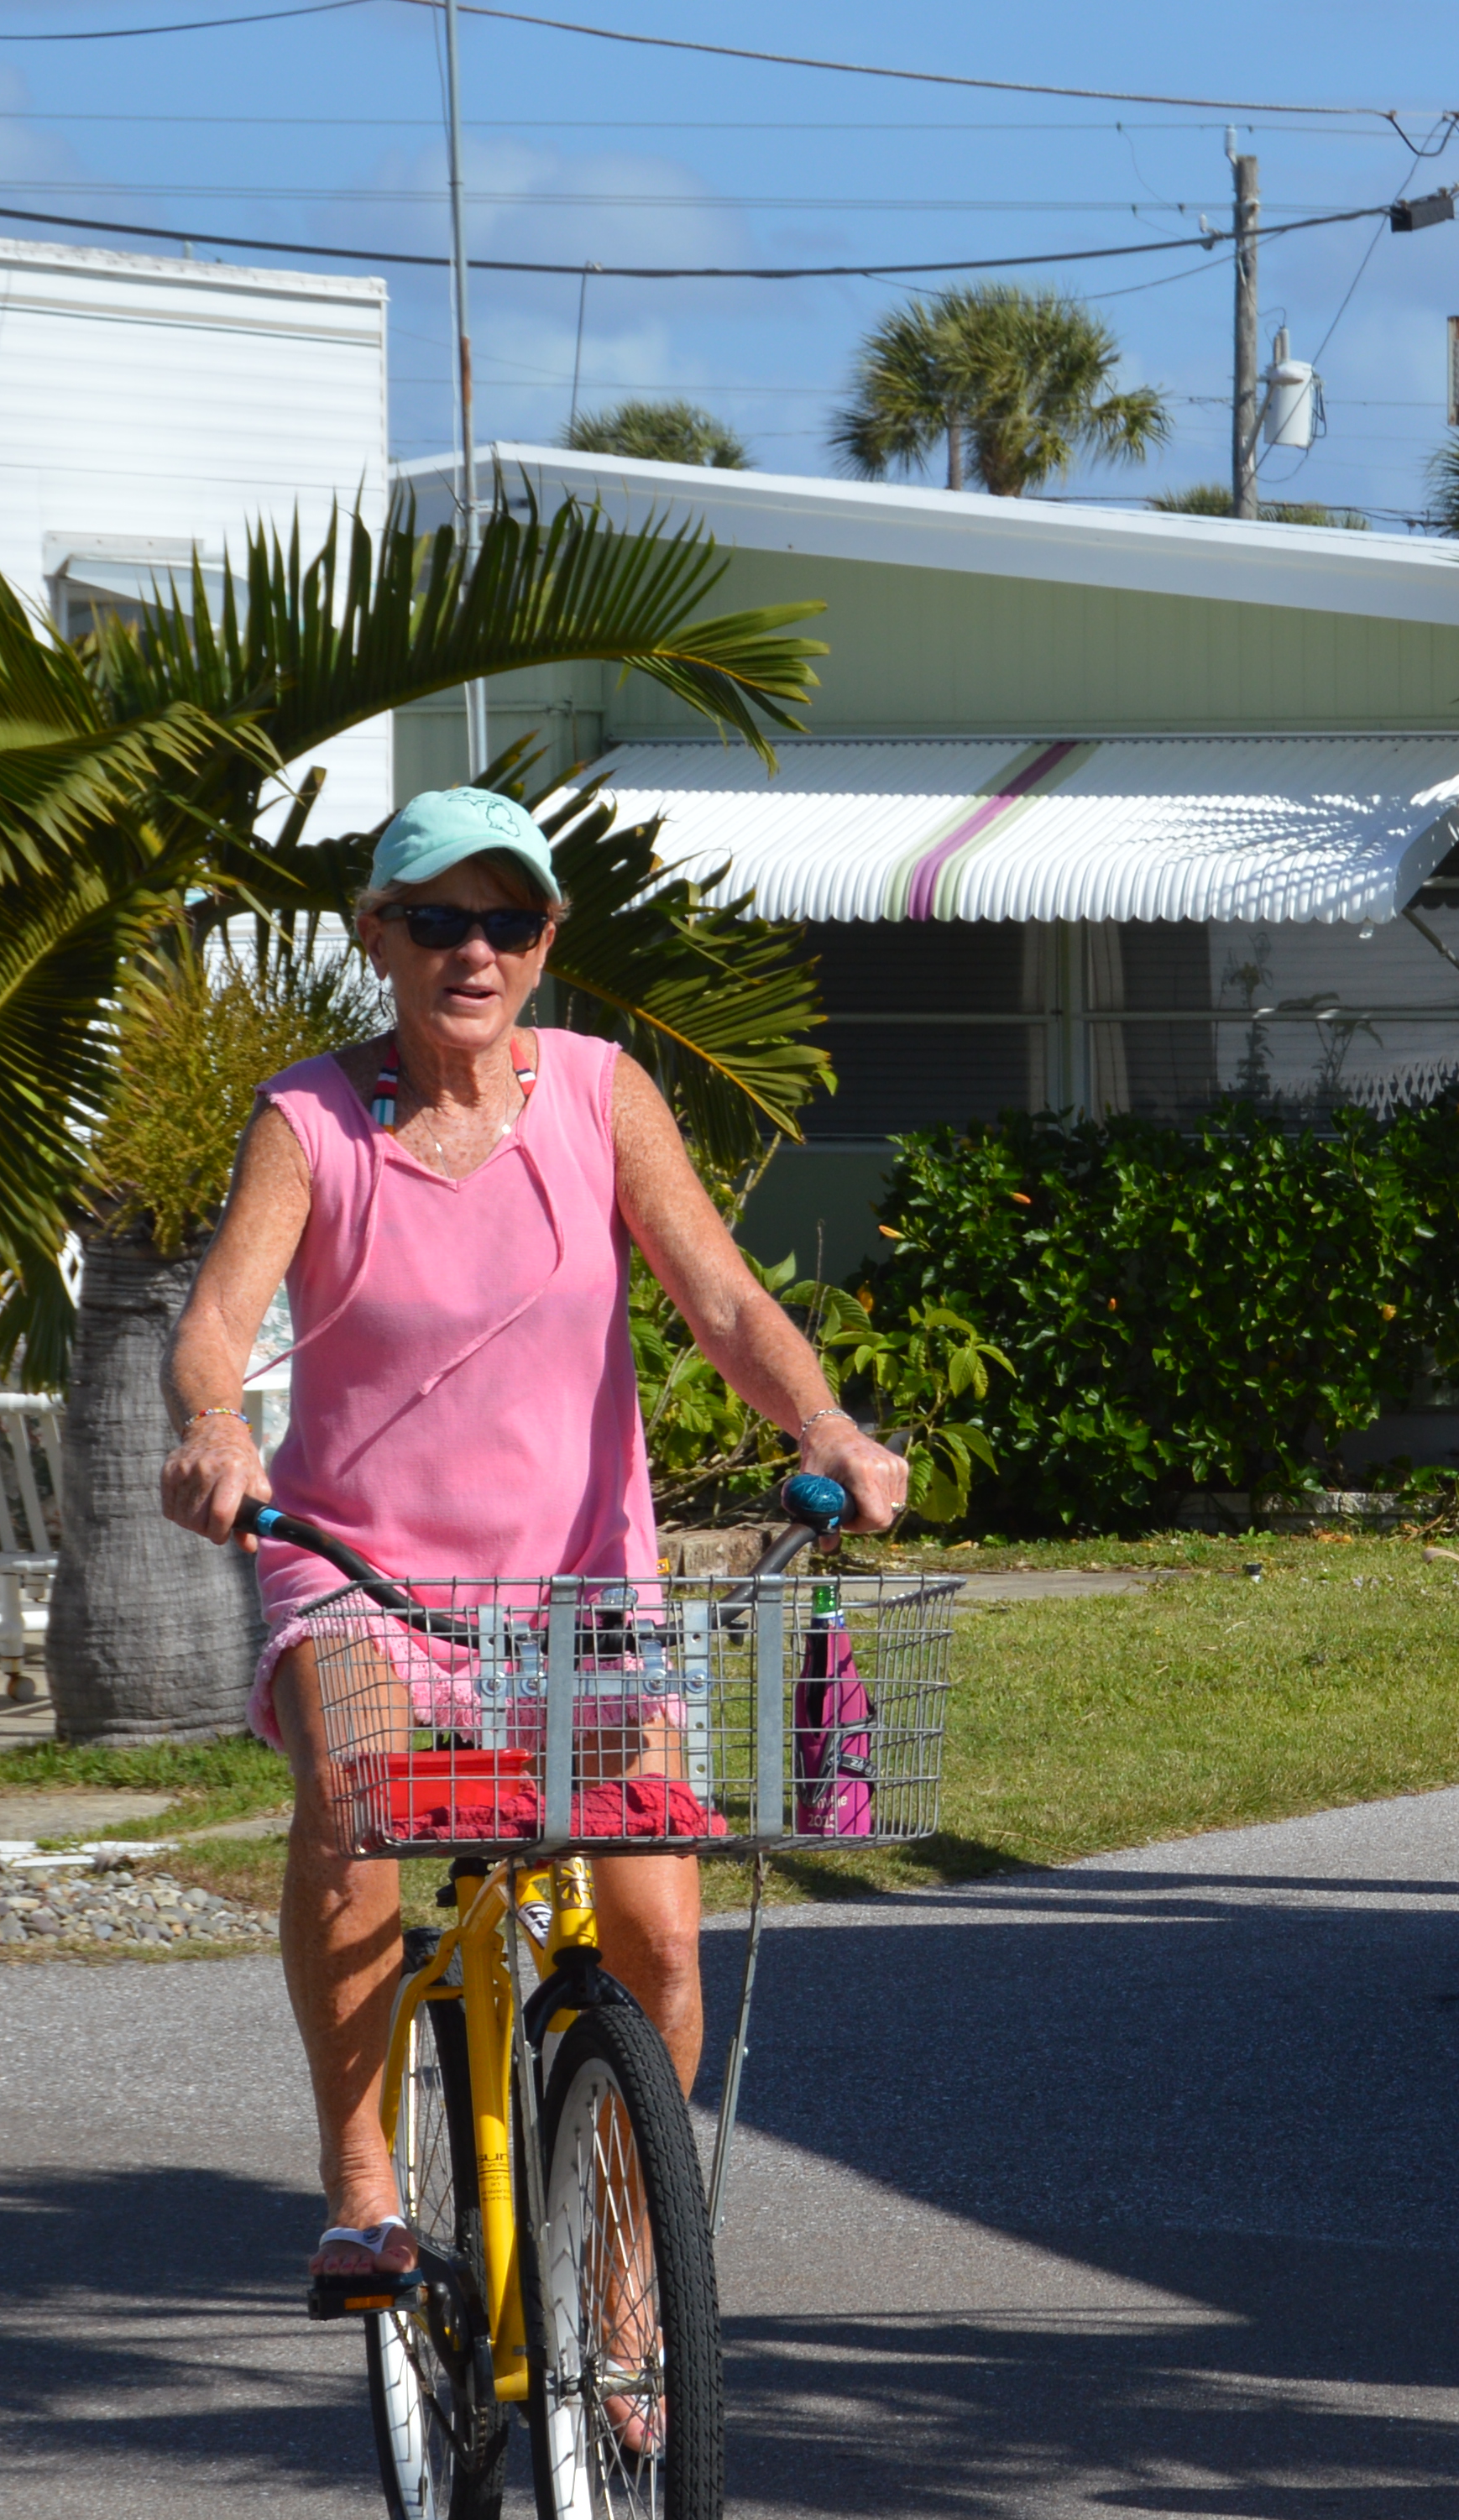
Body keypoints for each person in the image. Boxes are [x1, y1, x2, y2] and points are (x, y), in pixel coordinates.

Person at [156, 785, 907, 2307]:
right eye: (436, 919)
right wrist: (219, 1429)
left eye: (507, 921)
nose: (473, 950)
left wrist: (822, 1422)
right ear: (379, 937)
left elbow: (728, 1305)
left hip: (577, 1581)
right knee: (359, 1808)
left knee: (659, 1938)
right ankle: (362, 2185)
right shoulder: (311, 1118)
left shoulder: (598, 1092)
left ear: (548, 941)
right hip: (363, 1566)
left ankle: (632, 2267)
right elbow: (217, 1327)